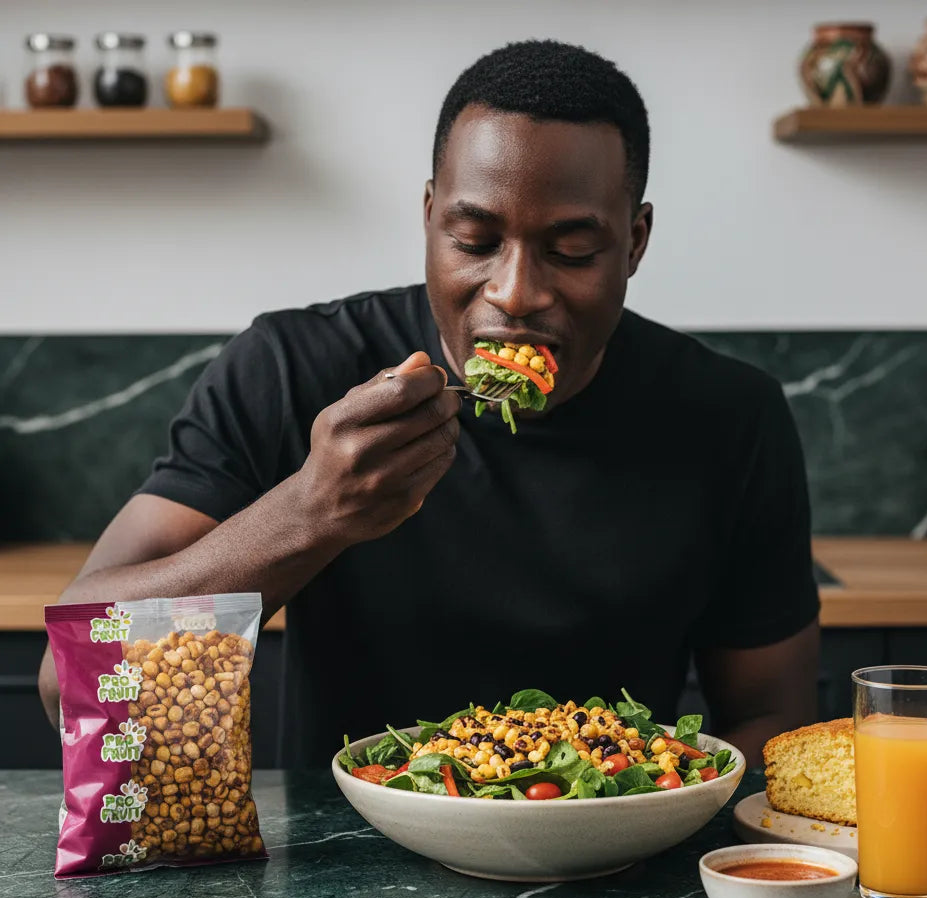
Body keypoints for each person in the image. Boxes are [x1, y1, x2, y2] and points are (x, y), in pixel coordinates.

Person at [38, 40, 819, 767]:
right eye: (475, 241)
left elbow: (769, 715)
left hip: (617, 856)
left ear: (636, 242)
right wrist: (310, 512)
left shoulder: (729, 414)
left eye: (572, 251)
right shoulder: (291, 368)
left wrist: (650, 802)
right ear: (428, 219)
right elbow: (67, 679)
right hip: (338, 877)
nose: (515, 293)